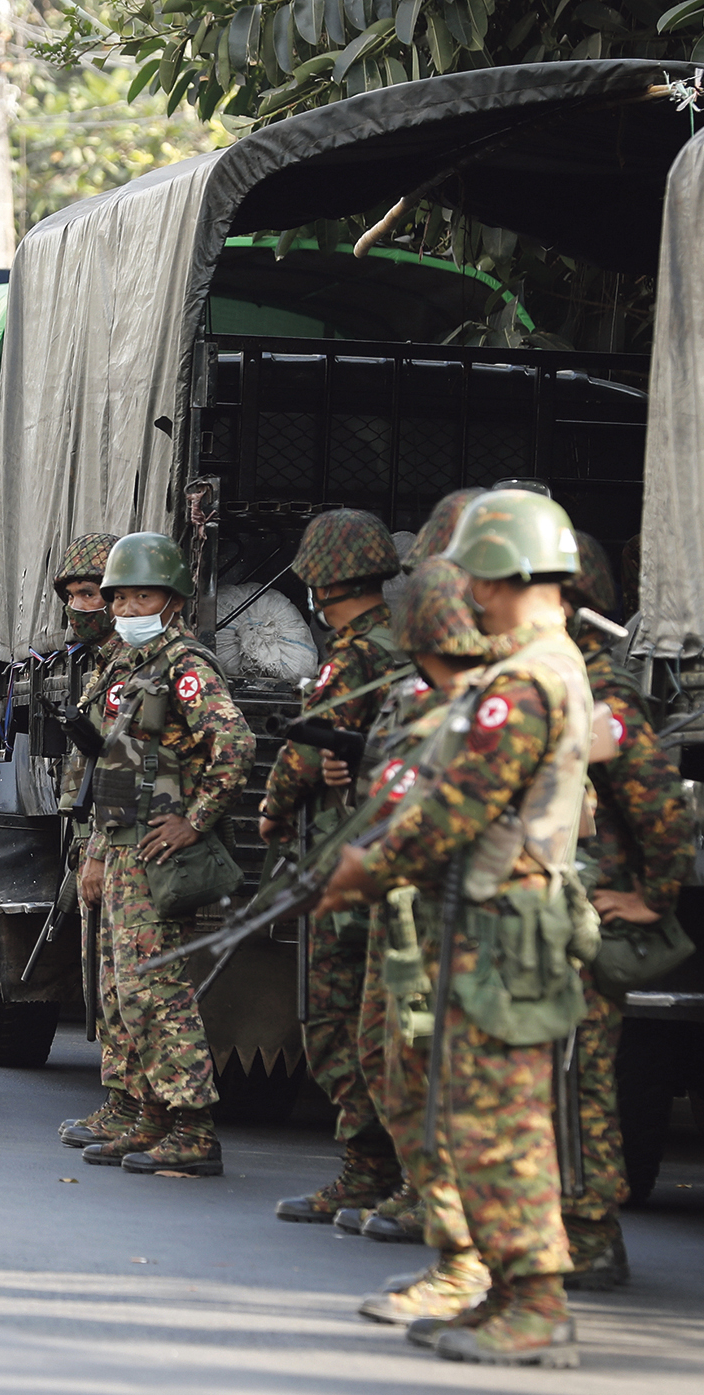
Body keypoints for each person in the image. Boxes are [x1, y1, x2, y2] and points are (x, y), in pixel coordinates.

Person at [317, 489, 596, 1367]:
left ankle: (537, 1300)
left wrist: (367, 867)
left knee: (501, 1121)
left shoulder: (527, 682)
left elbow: (460, 809)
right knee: (474, 1112)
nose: (467, 597)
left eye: (477, 578)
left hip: (504, 924)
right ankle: (505, 1291)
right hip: (491, 918)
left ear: (512, 572)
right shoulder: (537, 668)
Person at [340, 559, 503, 1328]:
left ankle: (497, 1270)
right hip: (413, 909)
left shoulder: (516, 694)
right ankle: (452, 1240)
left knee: (469, 1090)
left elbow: (458, 813)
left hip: (472, 919)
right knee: (397, 1060)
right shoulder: (431, 694)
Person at [71, 533, 255, 1174]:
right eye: (119, 597)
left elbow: (234, 745)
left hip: (156, 854)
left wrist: (195, 822)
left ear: (172, 602)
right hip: (122, 846)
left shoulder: (185, 666)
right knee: (122, 991)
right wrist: (96, 852)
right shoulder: (129, 665)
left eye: (142, 595)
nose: (127, 608)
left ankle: (194, 1128)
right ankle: (148, 1115)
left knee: (158, 989)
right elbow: (117, 769)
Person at [262, 509, 412, 1224]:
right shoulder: (403, 647)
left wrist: (273, 807)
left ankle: (369, 1170)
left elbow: (306, 749)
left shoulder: (352, 657)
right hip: (381, 852)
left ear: (319, 580)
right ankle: (389, 1171)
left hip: (346, 858)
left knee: (334, 1022)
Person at [562, 532, 693, 1288]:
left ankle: (592, 1232)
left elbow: (659, 804)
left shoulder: (599, 684)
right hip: (544, 911)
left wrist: (654, 897)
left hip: (586, 912)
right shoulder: (547, 675)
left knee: (580, 1076)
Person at [38, 531, 141, 1149]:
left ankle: (138, 1103)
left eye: (93, 593)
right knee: (103, 974)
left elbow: (127, 766)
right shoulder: (99, 667)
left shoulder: (137, 669)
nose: (81, 606)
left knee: (127, 979)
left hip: (121, 838)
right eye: (73, 594)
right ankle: (123, 1099)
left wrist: (102, 845)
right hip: (95, 835)